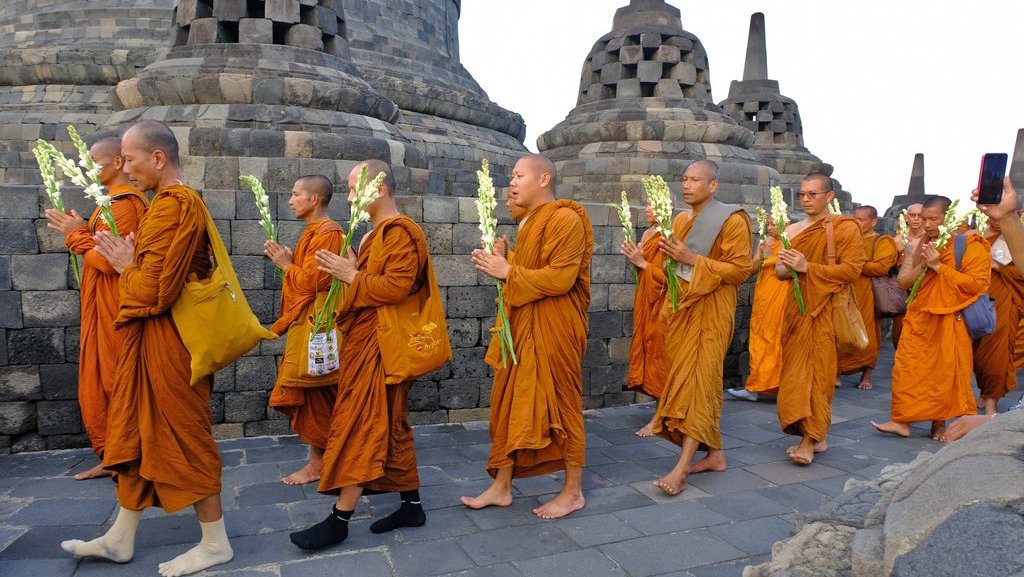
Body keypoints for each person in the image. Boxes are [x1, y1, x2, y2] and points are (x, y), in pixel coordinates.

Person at [63, 120, 233, 577]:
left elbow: (154, 290)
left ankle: (216, 543)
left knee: (186, 437)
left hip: (171, 346)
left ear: (157, 158)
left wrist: (123, 264)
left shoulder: (174, 206)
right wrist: (131, 261)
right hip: (151, 342)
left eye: (132, 159)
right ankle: (120, 538)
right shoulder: (164, 205)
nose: (127, 169)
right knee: (137, 434)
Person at [289, 160, 447, 550]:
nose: (346, 197)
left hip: (382, 347)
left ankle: (340, 518)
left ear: (378, 190)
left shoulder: (400, 232)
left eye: (352, 188)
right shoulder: (373, 236)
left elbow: (396, 287)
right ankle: (412, 505)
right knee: (391, 425)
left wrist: (351, 276)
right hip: (368, 341)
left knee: (360, 423)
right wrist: (353, 272)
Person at [460, 154, 593, 520]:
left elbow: (560, 278)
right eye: (511, 178)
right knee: (510, 404)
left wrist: (507, 270)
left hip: (556, 330)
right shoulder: (530, 222)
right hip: (523, 328)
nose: (512, 184)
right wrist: (506, 261)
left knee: (563, 406)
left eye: (519, 176)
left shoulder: (565, 218)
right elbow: (531, 271)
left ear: (544, 178)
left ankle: (572, 491)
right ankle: (502, 487)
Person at [44, 136, 148, 481]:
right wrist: (83, 229)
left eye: (93, 161)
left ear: (118, 162)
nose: (88, 168)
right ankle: (113, 456)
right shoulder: (108, 204)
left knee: (115, 382)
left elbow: (106, 261)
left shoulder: (125, 205)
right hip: (102, 307)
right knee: (100, 383)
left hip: (116, 309)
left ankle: (126, 458)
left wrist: (76, 234)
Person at [648, 160, 752, 495]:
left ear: (713, 185)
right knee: (698, 384)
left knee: (698, 384)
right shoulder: (679, 219)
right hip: (683, 311)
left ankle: (682, 469)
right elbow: (672, 272)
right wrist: (648, 262)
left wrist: (693, 259)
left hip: (711, 311)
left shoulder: (733, 219)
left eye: (696, 180)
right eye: (685, 179)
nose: (688, 185)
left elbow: (740, 271)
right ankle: (716, 454)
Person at [872, 196, 989, 440]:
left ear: (948, 218)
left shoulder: (969, 244)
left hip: (949, 318)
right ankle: (902, 420)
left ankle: (939, 425)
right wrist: (924, 264)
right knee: (907, 368)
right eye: (924, 218)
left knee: (943, 374)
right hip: (919, 317)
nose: (926, 224)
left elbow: (976, 284)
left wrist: (939, 267)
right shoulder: (922, 243)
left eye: (933, 219)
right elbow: (904, 282)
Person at [773, 173, 865, 465]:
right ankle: (817, 434)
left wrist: (807, 267)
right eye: (802, 194)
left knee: (819, 374)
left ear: (830, 197)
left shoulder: (844, 228)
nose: (806, 199)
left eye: (813, 194)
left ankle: (810, 439)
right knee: (795, 374)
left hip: (824, 310)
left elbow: (852, 270)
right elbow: (779, 271)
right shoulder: (794, 229)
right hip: (797, 310)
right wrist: (792, 266)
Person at [265, 175, 343, 485]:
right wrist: (290, 261)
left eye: (296, 194)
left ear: (314, 200)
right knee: (316, 395)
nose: (290, 200)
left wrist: (286, 265)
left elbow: (317, 282)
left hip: (319, 326)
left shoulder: (329, 233)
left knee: (319, 393)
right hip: (308, 324)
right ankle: (320, 461)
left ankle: (320, 464)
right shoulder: (314, 232)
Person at [620, 197, 678, 436]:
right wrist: (636, 261)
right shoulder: (647, 235)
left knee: (661, 356)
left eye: (653, 205)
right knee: (649, 353)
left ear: (667, 208)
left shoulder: (671, 236)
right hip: (646, 302)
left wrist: (642, 263)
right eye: (645, 204)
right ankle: (660, 412)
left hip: (663, 306)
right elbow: (643, 271)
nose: (647, 209)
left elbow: (672, 279)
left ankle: (660, 417)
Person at [836, 206, 898, 390]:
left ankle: (867, 375)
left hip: (868, 295)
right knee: (841, 331)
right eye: (854, 218)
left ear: (873, 222)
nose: (856, 222)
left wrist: (855, 263)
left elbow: (882, 268)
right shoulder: (848, 240)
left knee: (869, 334)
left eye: (861, 220)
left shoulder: (882, 241)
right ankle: (837, 372)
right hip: (846, 292)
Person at [972, 215, 1022, 414]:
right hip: (976, 299)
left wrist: (1000, 267)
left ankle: (992, 399)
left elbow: (1021, 272)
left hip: (1004, 300)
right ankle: (985, 390)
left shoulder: (1017, 238)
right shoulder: (976, 236)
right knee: (979, 354)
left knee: (997, 353)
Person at [733, 219, 786, 401]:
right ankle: (754, 387)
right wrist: (763, 257)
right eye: (768, 224)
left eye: (774, 224)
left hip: (780, 294)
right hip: (763, 294)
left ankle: (780, 385)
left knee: (776, 337)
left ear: (785, 222)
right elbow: (753, 267)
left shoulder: (789, 241)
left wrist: (771, 258)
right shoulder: (765, 242)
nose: (770, 228)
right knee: (758, 337)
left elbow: (790, 267)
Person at [892, 202, 925, 348]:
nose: (916, 219)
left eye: (920, 215)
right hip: (903, 294)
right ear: (906, 217)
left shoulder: (931, 240)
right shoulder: (897, 241)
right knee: (900, 335)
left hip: (925, 293)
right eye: (913, 215)